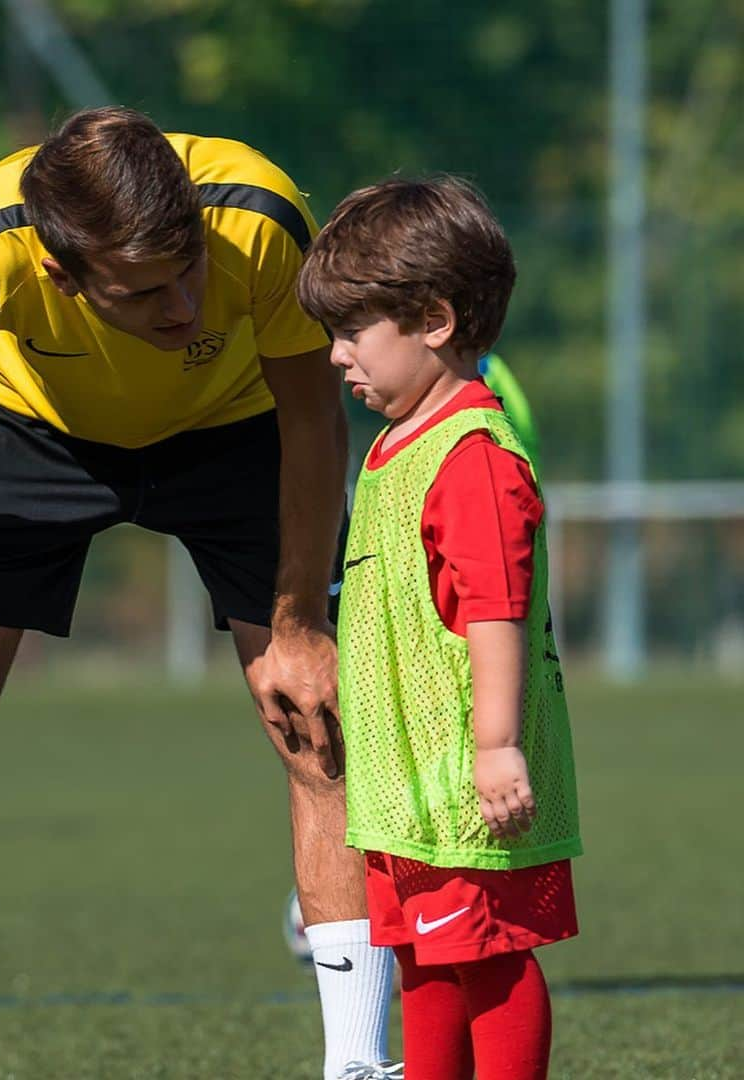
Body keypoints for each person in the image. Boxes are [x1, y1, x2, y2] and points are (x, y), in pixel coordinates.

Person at [0, 106, 397, 1077]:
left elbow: (315, 418)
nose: (187, 307)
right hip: (19, 426)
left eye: (191, 267)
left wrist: (299, 622)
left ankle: (359, 1062)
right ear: (60, 274)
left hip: (235, 429)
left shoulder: (260, 218)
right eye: (148, 290)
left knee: (321, 726)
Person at [297, 177, 582, 1080]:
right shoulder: (393, 445)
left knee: (488, 962)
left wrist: (496, 747)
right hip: (404, 788)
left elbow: (495, 611)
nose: (338, 356)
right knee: (422, 961)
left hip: (462, 782)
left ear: (433, 318)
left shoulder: (471, 456)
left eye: (354, 332)